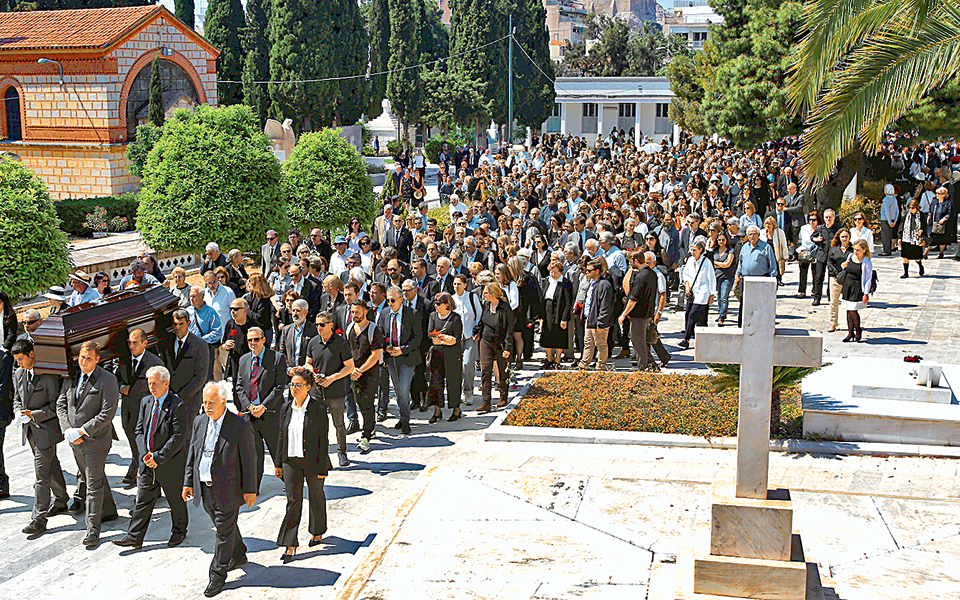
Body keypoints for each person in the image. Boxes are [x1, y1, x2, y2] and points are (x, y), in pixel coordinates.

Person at [182, 382, 257, 598]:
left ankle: (217, 575)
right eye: (205, 402)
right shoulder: (199, 421)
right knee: (224, 526)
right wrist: (188, 482)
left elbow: (249, 460)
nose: (207, 406)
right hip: (205, 488)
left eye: (211, 403)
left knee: (223, 533)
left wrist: (250, 489)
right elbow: (193, 454)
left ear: (224, 402)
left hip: (228, 489)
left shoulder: (239, 425)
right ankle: (239, 553)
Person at [113, 366, 190, 550]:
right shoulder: (146, 401)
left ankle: (179, 531)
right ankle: (134, 537)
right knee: (142, 500)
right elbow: (139, 430)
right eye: (149, 384)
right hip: (147, 463)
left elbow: (178, 437)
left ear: (166, 383)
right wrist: (144, 454)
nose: (151, 387)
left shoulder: (178, 405)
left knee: (175, 500)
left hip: (169, 463)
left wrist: (158, 457)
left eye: (155, 383)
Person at [56, 341, 119, 548]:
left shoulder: (107, 380)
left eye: (89, 358)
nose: (84, 362)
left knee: (92, 485)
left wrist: (82, 431)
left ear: (97, 359)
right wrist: (67, 429)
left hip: (95, 440)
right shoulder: (71, 376)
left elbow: (107, 413)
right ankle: (109, 510)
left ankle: (93, 530)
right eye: (82, 357)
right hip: (75, 440)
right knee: (92, 476)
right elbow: (61, 404)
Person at [12, 339, 69, 536]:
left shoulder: (48, 375)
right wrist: (18, 412)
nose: (19, 363)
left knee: (41, 474)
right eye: (17, 360)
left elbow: (56, 405)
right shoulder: (18, 373)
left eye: (21, 359)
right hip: (30, 431)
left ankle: (38, 519)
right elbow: (17, 398)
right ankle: (61, 499)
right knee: (50, 464)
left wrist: (33, 415)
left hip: (46, 431)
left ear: (32, 354)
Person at [275, 367, 330, 562]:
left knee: (316, 495)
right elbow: (281, 436)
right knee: (293, 500)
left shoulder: (319, 408)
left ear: (308, 387)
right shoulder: (286, 408)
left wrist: (322, 468)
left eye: (298, 385)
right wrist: (278, 463)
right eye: (292, 385)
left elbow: (323, 440)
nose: (294, 388)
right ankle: (290, 544)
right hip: (291, 461)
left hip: (313, 461)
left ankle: (317, 530)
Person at [235, 327, 287, 492]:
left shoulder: (277, 358)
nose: (253, 343)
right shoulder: (244, 360)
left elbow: (279, 387)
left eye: (256, 339)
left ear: (264, 340)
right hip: (250, 416)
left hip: (270, 414)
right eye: (250, 340)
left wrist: (263, 406)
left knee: (278, 451)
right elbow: (239, 387)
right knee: (253, 455)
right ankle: (253, 488)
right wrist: (249, 406)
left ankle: (290, 484)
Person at [305, 311, 355, 466]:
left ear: (331, 325)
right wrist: (312, 374)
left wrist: (332, 378)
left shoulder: (340, 343)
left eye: (322, 324)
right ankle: (321, 454)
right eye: (317, 324)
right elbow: (308, 363)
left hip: (335, 391)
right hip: (317, 392)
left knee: (339, 424)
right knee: (317, 424)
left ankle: (342, 453)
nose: (319, 327)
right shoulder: (313, 342)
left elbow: (350, 367)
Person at [115, 328, 164, 489]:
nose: (131, 346)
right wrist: (121, 387)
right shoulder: (124, 360)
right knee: (133, 441)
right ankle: (136, 469)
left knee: (145, 443)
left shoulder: (154, 363)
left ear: (145, 343)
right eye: (129, 342)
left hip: (146, 411)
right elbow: (116, 377)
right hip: (128, 409)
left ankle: (145, 477)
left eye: (135, 343)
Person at [377, 286, 422, 434]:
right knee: (397, 389)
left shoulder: (412, 314)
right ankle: (403, 416)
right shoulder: (384, 313)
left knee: (403, 389)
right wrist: (386, 347)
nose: (390, 303)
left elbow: (417, 337)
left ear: (401, 299)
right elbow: (380, 333)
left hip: (407, 357)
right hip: (391, 358)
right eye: (388, 300)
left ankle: (405, 420)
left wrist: (402, 349)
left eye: (393, 300)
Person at [346, 300, 384, 452]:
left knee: (367, 403)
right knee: (360, 402)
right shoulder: (350, 328)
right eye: (352, 312)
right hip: (353, 373)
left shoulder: (374, 330)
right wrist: (351, 369)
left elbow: (375, 355)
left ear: (365, 311)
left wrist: (360, 370)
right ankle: (371, 428)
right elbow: (347, 351)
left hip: (370, 373)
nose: (354, 315)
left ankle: (366, 435)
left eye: (357, 312)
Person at [472, 282, 515, 413]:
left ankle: (503, 396)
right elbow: (482, 322)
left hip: (500, 343)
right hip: (486, 342)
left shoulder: (505, 308)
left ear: (493, 294)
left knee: (503, 371)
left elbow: (509, 330)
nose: (483, 295)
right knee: (485, 370)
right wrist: (477, 332)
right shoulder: (486, 305)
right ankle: (486, 402)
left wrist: (507, 348)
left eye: (486, 293)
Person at [162, 309, 210, 418]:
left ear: (188, 324)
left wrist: (180, 396)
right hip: (168, 399)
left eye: (181, 324)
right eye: (175, 324)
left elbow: (200, 377)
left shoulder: (200, 345)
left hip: (190, 400)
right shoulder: (167, 342)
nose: (177, 327)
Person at [425, 293, 464, 423]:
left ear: (447, 304)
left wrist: (443, 340)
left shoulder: (455, 318)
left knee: (454, 382)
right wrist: (441, 339)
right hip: (437, 355)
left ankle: (456, 410)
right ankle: (437, 411)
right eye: (435, 303)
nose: (435, 306)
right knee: (435, 382)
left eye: (438, 303)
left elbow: (456, 338)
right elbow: (430, 334)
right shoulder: (433, 316)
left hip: (452, 355)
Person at [619, 251, 658, 369]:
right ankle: (651, 365)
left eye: (631, 262)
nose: (630, 265)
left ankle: (643, 367)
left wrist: (623, 314)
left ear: (636, 260)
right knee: (642, 342)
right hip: (648, 313)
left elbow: (633, 299)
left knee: (638, 342)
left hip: (638, 315)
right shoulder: (652, 273)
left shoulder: (640, 276)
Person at [734, 225, 779, 327]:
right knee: (744, 303)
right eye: (750, 234)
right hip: (745, 279)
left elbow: (772, 265)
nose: (752, 236)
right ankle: (742, 325)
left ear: (758, 235)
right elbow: (740, 262)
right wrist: (737, 274)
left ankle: (759, 325)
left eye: (754, 234)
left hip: (760, 279)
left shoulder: (766, 247)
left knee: (759, 304)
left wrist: (772, 280)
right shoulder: (744, 247)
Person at [679, 240, 717, 349]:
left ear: (701, 250)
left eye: (694, 250)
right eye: (691, 250)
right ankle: (704, 340)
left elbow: (711, 278)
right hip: (692, 291)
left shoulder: (706, 262)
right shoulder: (690, 260)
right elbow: (686, 274)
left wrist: (712, 294)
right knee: (701, 318)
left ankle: (686, 339)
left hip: (703, 292)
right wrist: (687, 285)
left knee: (693, 315)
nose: (692, 252)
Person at [578, 257, 614, 370]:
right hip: (589, 318)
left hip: (599, 320)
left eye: (589, 270)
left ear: (597, 271)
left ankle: (600, 365)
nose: (586, 272)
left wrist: (601, 322)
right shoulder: (591, 283)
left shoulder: (604, 285)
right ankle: (584, 363)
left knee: (601, 344)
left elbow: (605, 306)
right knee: (588, 342)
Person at [839, 239, 874, 343]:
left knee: (853, 310)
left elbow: (868, 279)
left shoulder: (866, 261)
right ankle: (850, 332)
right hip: (848, 285)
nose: (856, 252)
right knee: (848, 310)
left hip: (857, 287)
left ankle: (858, 329)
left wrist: (866, 293)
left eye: (858, 250)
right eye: (854, 249)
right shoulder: (850, 256)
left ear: (864, 250)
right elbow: (844, 267)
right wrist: (844, 265)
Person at [540, 261, 572, 369]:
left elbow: (568, 302)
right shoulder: (547, 281)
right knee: (546, 336)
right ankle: (549, 359)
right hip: (547, 311)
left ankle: (557, 360)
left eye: (555, 272)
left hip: (559, 311)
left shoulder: (565, 283)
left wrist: (564, 318)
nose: (553, 274)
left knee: (559, 336)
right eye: (551, 272)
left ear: (561, 272)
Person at [826, 229, 854, 333]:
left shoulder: (853, 250)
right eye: (842, 237)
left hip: (848, 278)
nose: (844, 239)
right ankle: (833, 323)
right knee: (834, 301)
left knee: (850, 303)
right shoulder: (833, 250)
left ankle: (851, 324)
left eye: (846, 236)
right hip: (835, 278)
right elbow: (829, 264)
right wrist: (837, 274)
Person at [796, 211, 821, 298]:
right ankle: (802, 290)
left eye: (814, 220)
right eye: (810, 219)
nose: (811, 222)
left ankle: (815, 290)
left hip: (816, 252)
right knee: (803, 272)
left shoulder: (820, 228)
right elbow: (801, 239)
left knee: (815, 272)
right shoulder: (804, 228)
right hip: (805, 251)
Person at [900, 199, 927, 278]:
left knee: (917, 258)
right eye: (909, 207)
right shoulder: (906, 215)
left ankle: (920, 266)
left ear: (917, 208)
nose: (911, 209)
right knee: (905, 257)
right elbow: (902, 225)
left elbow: (925, 225)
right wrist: (899, 237)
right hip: (906, 238)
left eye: (913, 208)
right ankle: (906, 273)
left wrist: (922, 230)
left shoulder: (921, 215)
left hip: (916, 238)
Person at [760, 216, 789, 286]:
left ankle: (778, 280)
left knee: (777, 267)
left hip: (776, 253)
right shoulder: (762, 232)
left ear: (773, 225)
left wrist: (785, 256)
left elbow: (784, 244)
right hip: (766, 254)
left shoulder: (779, 232)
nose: (768, 225)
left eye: (770, 224)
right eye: (766, 223)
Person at [927, 187, 954, 258]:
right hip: (933, 222)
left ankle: (941, 253)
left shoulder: (948, 203)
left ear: (944, 195)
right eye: (937, 193)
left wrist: (944, 218)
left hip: (942, 224)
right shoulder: (934, 202)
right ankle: (925, 254)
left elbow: (950, 213)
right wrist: (929, 216)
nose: (937, 195)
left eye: (939, 193)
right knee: (930, 239)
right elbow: (930, 210)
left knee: (942, 239)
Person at [879, 184, 899, 256]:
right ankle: (889, 249)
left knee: (885, 236)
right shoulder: (894, 198)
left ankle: (886, 251)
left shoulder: (886, 199)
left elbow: (886, 210)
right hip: (893, 219)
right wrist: (895, 220)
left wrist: (889, 221)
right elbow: (897, 210)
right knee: (889, 235)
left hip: (885, 219)